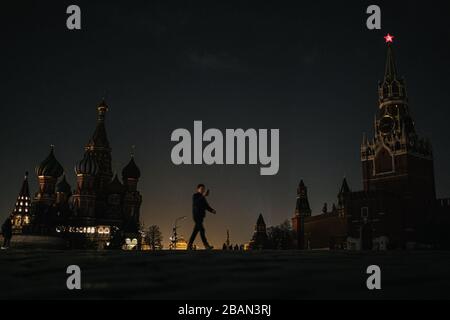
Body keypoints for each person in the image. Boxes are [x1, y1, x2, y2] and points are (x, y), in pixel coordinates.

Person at [188, 184, 216, 250]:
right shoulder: (195, 196)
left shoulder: (203, 198)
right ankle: (206, 245)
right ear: (198, 189)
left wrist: (212, 210)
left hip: (201, 217)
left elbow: (206, 206)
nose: (203, 190)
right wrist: (203, 196)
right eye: (201, 189)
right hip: (196, 216)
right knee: (202, 230)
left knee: (195, 231)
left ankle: (189, 245)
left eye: (203, 189)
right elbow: (196, 202)